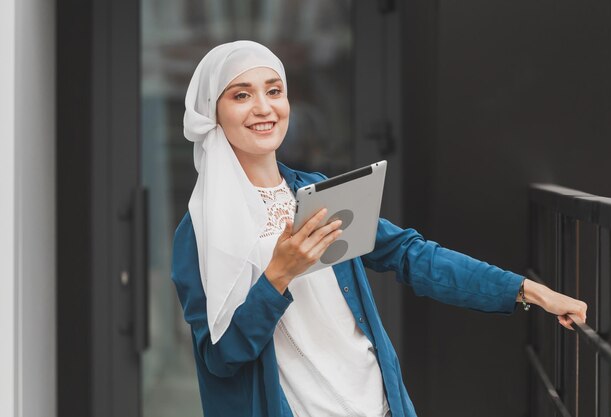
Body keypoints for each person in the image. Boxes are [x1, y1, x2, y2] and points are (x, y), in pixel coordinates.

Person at [171, 40, 587, 417]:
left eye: (274, 90)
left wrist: (528, 291)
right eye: (242, 95)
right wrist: (279, 273)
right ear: (213, 113)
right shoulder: (200, 231)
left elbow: (411, 255)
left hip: (380, 405)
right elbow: (221, 357)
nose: (264, 107)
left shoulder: (317, 196)